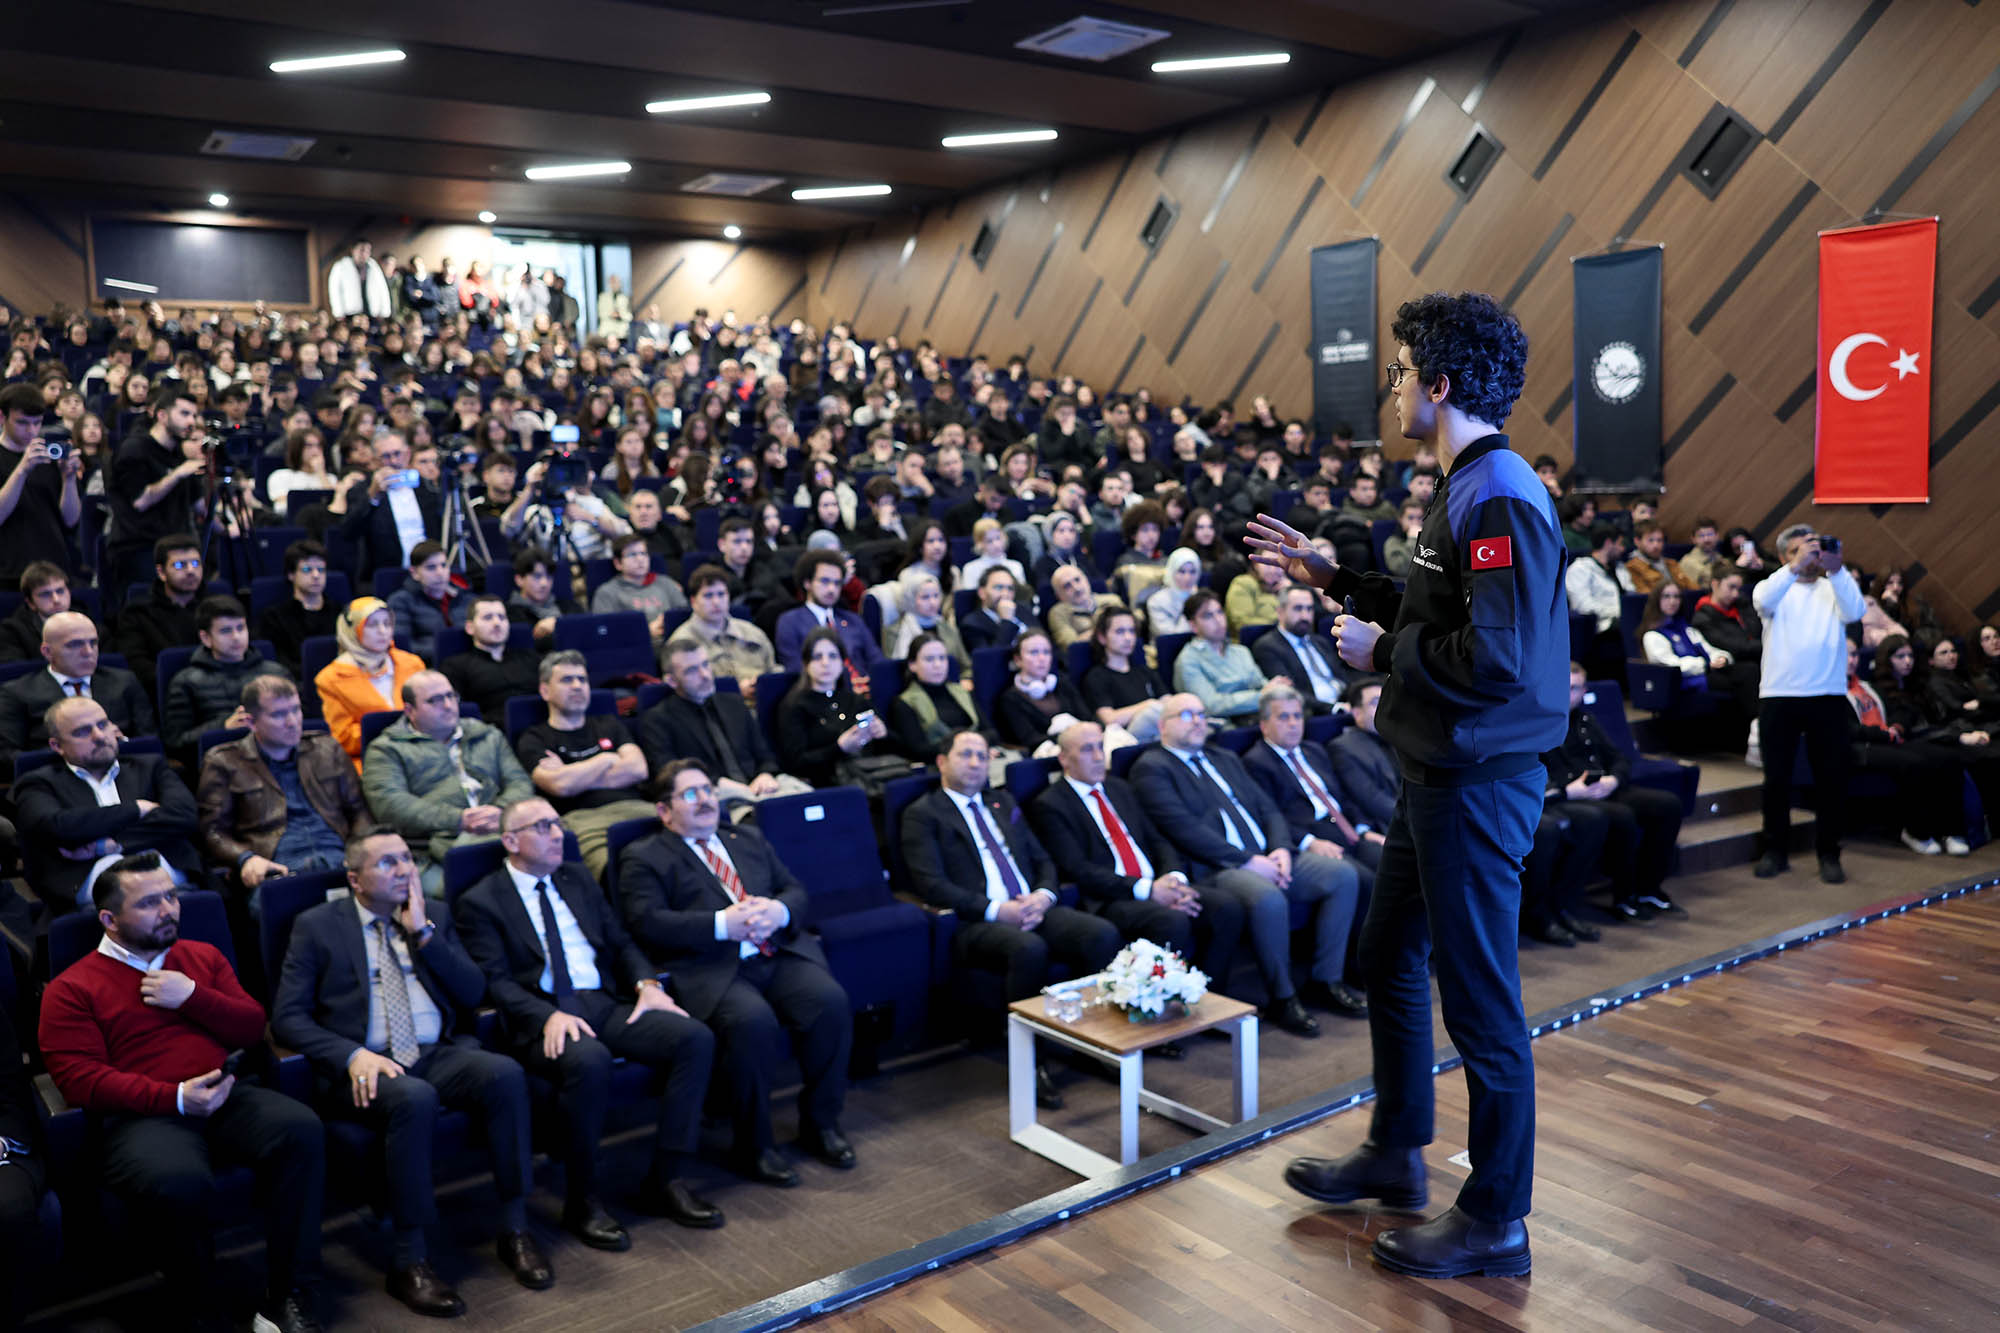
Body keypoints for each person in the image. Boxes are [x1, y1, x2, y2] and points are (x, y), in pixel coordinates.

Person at [1248, 290, 1561, 1278]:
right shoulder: (1466, 484)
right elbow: (1444, 614)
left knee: (1480, 1003)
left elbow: (1497, 658)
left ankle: (1497, 1219)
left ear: (1441, 383)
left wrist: (1381, 651)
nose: (1391, 390)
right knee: (1387, 957)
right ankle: (1395, 1150)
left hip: (1475, 779)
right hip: (1435, 773)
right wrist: (1336, 578)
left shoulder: (1496, 493)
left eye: (1399, 373)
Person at [38, 853, 326, 1332]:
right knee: (178, 1178)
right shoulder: (71, 988)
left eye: (171, 896)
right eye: (149, 903)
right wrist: (173, 1097)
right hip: (143, 1117)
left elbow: (252, 1026)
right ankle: (200, 1309)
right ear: (109, 919)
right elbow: (79, 1079)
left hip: (225, 1093)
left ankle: (288, 1293)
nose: (169, 909)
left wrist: (192, 996)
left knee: (300, 1129)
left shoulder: (201, 957)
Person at [272, 828, 552, 1316]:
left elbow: (473, 993)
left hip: (434, 1052)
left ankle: (515, 1227)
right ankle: (410, 1259)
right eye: (388, 863)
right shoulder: (317, 925)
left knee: (504, 1074)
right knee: (414, 1097)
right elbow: (288, 1018)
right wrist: (351, 1055)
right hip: (365, 1065)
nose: (404, 870)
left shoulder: (432, 914)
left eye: (407, 859)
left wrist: (424, 934)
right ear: (355, 879)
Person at [456, 796, 723, 1239]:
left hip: (602, 1002)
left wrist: (646, 984)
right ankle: (582, 1200)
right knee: (589, 1060)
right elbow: (495, 982)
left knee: (693, 1037)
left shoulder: (577, 877)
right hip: (541, 1018)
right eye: (542, 827)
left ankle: (667, 1179)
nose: (557, 834)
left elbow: (620, 943)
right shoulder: (481, 901)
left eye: (557, 824)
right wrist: (545, 1015)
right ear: (510, 841)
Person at [620, 761, 856, 1182]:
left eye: (708, 790)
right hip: (712, 968)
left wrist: (779, 911)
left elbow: (794, 890)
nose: (705, 800)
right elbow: (646, 922)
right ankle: (755, 1145)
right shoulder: (645, 856)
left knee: (830, 1003)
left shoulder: (746, 837)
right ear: (664, 811)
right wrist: (720, 925)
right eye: (690, 794)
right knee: (753, 1024)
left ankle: (821, 1123)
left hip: (775, 954)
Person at [901, 730, 1121, 1109]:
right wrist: (996, 910)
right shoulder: (923, 814)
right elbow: (931, 884)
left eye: (982, 756)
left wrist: (1043, 896)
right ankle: (1031, 1062)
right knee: (1028, 949)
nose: (976, 763)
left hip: (1030, 906)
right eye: (966, 755)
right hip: (976, 921)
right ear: (942, 762)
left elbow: (1042, 860)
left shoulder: (1002, 801)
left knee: (1100, 933)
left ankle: (1092, 1044)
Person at [1131, 693, 1366, 1034]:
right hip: (1217, 867)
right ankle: (1282, 997)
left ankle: (1326, 980)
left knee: (1342, 875)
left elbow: (1268, 808)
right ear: (1162, 726)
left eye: (1201, 714)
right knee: (1267, 898)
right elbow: (1182, 828)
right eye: (1186, 715)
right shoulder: (1153, 767)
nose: (1198, 721)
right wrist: (1247, 861)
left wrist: (1280, 849)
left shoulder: (1223, 756)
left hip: (1267, 855)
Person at [1028, 722, 1247, 1028]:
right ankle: (1156, 1019)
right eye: (1087, 749)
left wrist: (1174, 879)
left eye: (1100, 747)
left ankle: (1205, 1004)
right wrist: (1149, 890)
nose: (1098, 756)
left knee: (1226, 907)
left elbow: (1157, 840)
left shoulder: (1120, 788)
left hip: (1158, 884)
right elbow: (1078, 868)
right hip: (1111, 897)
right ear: (1064, 758)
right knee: (1170, 920)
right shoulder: (1050, 804)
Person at [14, 696, 202, 912]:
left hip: (173, 883)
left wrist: (108, 845)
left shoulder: (150, 766)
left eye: (103, 725)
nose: (99, 736)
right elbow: (59, 827)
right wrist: (135, 809)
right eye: (83, 732)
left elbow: (184, 816)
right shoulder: (38, 783)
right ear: (57, 745)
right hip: (96, 897)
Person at [1752, 533, 1863, 883]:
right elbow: (1763, 601)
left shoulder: (1834, 586)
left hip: (1827, 694)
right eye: (1801, 550)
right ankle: (1775, 851)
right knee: (1777, 779)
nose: (1811, 557)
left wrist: (1838, 570)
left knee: (1831, 779)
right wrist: (1794, 566)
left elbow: (1856, 611)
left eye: (1815, 550)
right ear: (1785, 554)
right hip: (1779, 694)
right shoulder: (1774, 586)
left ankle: (1829, 853)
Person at [361, 670, 533, 894]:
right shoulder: (386, 749)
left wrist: (500, 812)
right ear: (410, 710)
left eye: (451, 696)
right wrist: (459, 819)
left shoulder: (486, 734)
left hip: (500, 829)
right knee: (473, 888)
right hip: (433, 846)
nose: (448, 705)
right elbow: (390, 805)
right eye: (435, 700)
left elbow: (520, 782)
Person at [197, 676, 367, 897]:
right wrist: (246, 858)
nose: (292, 721)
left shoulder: (326, 748)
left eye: (296, 710)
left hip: (340, 856)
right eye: (278, 715)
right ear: (250, 722)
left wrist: (359, 851)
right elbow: (212, 831)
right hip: (276, 865)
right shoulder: (225, 762)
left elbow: (359, 811)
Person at [1540, 663, 1686, 919]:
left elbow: (1619, 758)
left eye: (1574, 688)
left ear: (1584, 691)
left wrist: (1614, 780)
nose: (1567, 694)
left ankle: (1648, 889)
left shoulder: (1586, 720)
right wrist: (1567, 790)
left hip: (1603, 787)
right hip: (1572, 795)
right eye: (1563, 687)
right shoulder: (1541, 724)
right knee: (1622, 815)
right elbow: (1538, 774)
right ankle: (1624, 897)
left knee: (1668, 804)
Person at [515, 651, 660, 877]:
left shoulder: (609, 724)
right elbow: (560, 786)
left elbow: (638, 769)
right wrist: (607, 759)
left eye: (582, 680)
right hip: (585, 822)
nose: (577, 686)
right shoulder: (534, 738)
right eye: (567, 680)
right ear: (545, 691)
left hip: (638, 808)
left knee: (687, 848)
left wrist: (570, 773)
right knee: (622, 873)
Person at [638, 640, 810, 808]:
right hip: (709, 794)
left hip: (760, 786)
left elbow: (764, 754)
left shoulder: (734, 703)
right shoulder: (658, 719)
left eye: (705, 664)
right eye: (692, 670)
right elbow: (668, 774)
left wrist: (766, 773)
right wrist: (717, 783)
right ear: (671, 681)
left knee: (809, 800)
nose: (705, 675)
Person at [1245, 684, 1382, 891]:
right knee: (1365, 881)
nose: (1293, 724)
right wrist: (1309, 842)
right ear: (1264, 725)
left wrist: (1363, 829)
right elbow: (1272, 815)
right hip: (1315, 838)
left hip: (1348, 831)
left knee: (1394, 863)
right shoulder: (1257, 762)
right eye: (1284, 717)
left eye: (1297, 716)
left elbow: (1341, 798)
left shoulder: (1314, 750)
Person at [1843, 640, 1970, 857]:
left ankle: (1951, 832)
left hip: (1888, 739)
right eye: (1845, 655)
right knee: (1914, 764)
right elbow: (1847, 729)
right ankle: (1916, 832)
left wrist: (1896, 726)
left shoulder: (1866, 686)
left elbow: (1898, 710)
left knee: (1949, 758)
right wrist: (1884, 734)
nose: (1852, 660)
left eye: (1855, 655)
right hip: (1860, 748)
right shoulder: (1828, 692)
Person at [0, 610, 153, 768]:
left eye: (93, 643)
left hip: (123, 769)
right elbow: (7, 755)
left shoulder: (124, 682)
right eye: (75, 644)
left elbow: (149, 740)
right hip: (56, 776)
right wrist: (72, 751)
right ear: (47, 651)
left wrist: (120, 744)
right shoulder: (17, 693)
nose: (88, 652)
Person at [106, 383, 207, 599]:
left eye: (194, 415)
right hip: (139, 548)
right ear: (162, 415)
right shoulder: (134, 449)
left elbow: (199, 506)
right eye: (184, 414)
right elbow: (140, 501)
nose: (191, 421)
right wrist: (177, 474)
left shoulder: (179, 453)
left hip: (177, 547)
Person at [161, 595, 290, 759]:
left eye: (241, 628)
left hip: (278, 757)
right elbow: (175, 742)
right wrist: (223, 727)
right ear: (206, 638)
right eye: (226, 631)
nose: (236, 637)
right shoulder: (186, 681)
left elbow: (302, 724)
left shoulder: (276, 673)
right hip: (219, 763)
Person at [774, 628, 894, 787]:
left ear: (842, 662)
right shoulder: (794, 706)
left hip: (866, 775)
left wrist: (882, 733)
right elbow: (795, 762)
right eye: (817, 657)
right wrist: (839, 747)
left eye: (833, 656)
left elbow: (891, 747)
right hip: (825, 784)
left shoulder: (855, 700)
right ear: (806, 663)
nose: (826, 663)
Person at [314, 598, 425, 766]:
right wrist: (396, 731)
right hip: (373, 758)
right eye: (372, 625)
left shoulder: (412, 664)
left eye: (387, 624)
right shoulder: (331, 678)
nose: (383, 631)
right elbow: (343, 737)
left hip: (421, 749)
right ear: (352, 630)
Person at [0, 382, 83, 590]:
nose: (31, 430)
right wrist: (22, 470)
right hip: (9, 570)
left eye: (37, 423)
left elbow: (70, 520)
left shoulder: (50, 456)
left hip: (54, 566)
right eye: (22, 423)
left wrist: (69, 479)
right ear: (2, 417)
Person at [112, 533, 205, 701]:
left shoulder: (214, 606)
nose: (191, 571)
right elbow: (136, 664)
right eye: (179, 565)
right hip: (162, 692)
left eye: (195, 563)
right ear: (161, 572)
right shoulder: (137, 613)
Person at [338, 430, 443, 576]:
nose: (393, 461)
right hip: (387, 572)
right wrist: (373, 495)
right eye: (386, 456)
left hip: (429, 572)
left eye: (397, 453)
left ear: (407, 454)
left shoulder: (427, 487)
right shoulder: (362, 490)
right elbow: (349, 532)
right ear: (375, 460)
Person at [666, 565, 777, 696]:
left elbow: (773, 671)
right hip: (715, 705)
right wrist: (735, 691)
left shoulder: (752, 632)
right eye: (708, 596)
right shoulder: (681, 642)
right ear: (693, 601)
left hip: (763, 700)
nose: (716, 602)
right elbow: (685, 692)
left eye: (721, 594)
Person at [888, 631, 996, 759]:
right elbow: (918, 750)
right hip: (940, 763)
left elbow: (992, 733)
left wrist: (977, 750)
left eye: (942, 658)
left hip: (981, 757)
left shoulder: (962, 691)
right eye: (929, 659)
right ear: (912, 665)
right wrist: (970, 748)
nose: (938, 665)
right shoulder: (904, 702)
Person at [1173, 589, 1276, 724]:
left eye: (1220, 612)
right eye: (1208, 616)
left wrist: (1275, 689)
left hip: (1256, 717)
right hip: (1222, 726)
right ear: (1193, 626)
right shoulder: (1188, 660)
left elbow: (1261, 684)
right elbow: (1211, 706)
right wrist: (1261, 696)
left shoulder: (1241, 651)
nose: (1218, 620)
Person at [1253, 583, 1352, 714]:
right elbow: (1290, 692)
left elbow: (1343, 678)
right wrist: (1335, 708)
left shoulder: (1320, 642)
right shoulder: (1267, 647)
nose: (1305, 616)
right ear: (1280, 611)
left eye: (1309, 609)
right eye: (1298, 608)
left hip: (1345, 704)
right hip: (1314, 713)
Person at [440, 594, 540, 721]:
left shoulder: (530, 658)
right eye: (488, 617)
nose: (497, 623)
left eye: (502, 617)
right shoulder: (455, 666)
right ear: (470, 628)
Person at [256, 539, 340, 679]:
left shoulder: (341, 612)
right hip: (294, 681)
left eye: (321, 570)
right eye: (307, 570)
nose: (316, 575)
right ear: (291, 574)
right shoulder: (274, 617)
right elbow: (276, 663)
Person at [589, 531, 686, 640]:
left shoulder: (666, 583)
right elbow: (605, 631)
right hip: (634, 646)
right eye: (632, 554)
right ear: (618, 563)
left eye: (643, 553)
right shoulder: (606, 593)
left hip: (674, 640)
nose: (640, 559)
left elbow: (684, 615)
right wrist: (645, 632)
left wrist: (667, 623)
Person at [385, 541, 466, 662]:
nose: (440, 573)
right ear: (414, 573)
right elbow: (402, 645)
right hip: (425, 664)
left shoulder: (464, 597)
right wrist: (444, 651)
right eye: (431, 567)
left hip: (467, 663)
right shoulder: (400, 602)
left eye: (444, 565)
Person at [0, 562, 88, 663]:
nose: (56, 600)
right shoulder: (13, 631)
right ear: (30, 603)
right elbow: (17, 669)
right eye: (45, 594)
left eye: (60, 591)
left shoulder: (86, 619)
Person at [885, 567, 967, 664]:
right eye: (925, 597)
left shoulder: (948, 627)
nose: (933, 603)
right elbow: (893, 668)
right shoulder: (894, 631)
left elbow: (966, 665)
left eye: (936, 595)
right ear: (911, 599)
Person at [506, 548, 580, 650]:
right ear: (519, 580)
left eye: (549, 576)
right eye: (537, 576)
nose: (544, 583)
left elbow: (588, 630)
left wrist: (557, 624)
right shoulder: (509, 613)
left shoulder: (569, 605)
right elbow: (525, 646)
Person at [958, 564, 1032, 657]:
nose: (1005, 594)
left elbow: (1043, 638)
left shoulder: (1023, 610)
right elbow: (990, 659)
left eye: (1010, 588)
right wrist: (1006, 621)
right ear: (982, 593)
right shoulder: (972, 624)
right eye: (999, 587)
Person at [1046, 564, 1121, 653]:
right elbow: (1072, 645)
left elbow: (1130, 626)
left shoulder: (1112, 600)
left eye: (1077, 580)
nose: (1076, 588)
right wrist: (1109, 631)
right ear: (1058, 595)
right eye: (1067, 586)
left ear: (1086, 580)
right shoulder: (1057, 613)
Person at [1622, 521, 1697, 597]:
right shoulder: (1632, 567)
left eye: (1659, 540)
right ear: (1637, 541)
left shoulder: (1671, 563)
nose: (1656, 545)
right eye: (1650, 540)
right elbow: (1645, 597)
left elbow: (1693, 588)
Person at [1144, 547, 1203, 639]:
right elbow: (1171, 638)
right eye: (1181, 571)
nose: (1188, 578)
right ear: (1171, 572)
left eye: (1193, 571)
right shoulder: (1157, 602)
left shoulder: (1202, 598)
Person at [328, 239, 392, 319]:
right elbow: (334, 291)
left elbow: (383, 289)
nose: (364, 254)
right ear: (353, 250)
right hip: (350, 313)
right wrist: (338, 313)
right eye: (362, 250)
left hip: (372, 314)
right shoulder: (340, 266)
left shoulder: (374, 267)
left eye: (368, 251)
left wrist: (384, 312)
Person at [1225, 559, 1286, 636]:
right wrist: (1280, 623)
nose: (1273, 570)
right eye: (1268, 564)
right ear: (1256, 565)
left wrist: (1287, 592)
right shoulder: (1244, 583)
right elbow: (1243, 622)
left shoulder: (1285, 587)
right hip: (1255, 639)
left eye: (1277, 565)